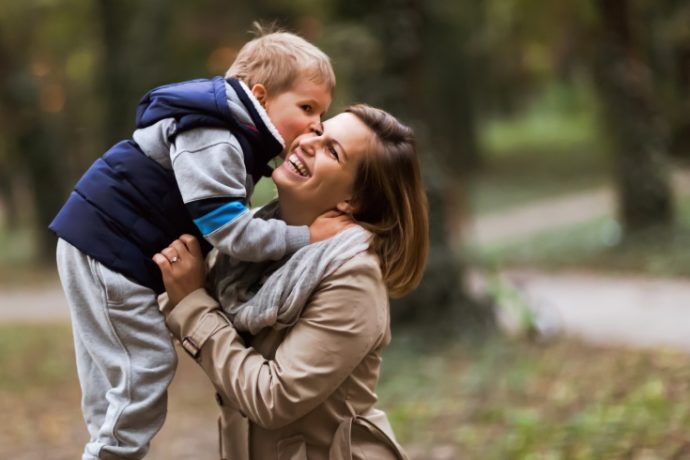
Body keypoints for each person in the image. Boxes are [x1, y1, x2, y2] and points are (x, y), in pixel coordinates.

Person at [49, 26, 349, 460]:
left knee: (111, 372)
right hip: (109, 247)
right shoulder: (216, 135)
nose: (316, 125)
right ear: (261, 97)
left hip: (97, 242)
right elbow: (230, 231)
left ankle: (102, 447)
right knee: (145, 367)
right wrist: (309, 236)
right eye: (307, 107)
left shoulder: (227, 132)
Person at [154, 104, 429, 459]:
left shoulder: (352, 275)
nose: (308, 143)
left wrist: (192, 302)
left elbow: (273, 398)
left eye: (333, 150)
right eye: (317, 131)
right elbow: (177, 295)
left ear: (352, 200)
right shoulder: (246, 242)